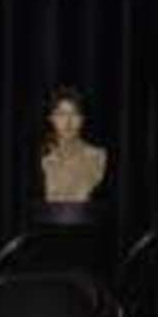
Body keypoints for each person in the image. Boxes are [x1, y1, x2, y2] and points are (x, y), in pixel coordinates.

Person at [38, 85, 106, 222]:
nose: (68, 122)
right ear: (51, 118)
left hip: (86, 230)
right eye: (61, 114)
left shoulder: (98, 156)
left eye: (74, 114)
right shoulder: (40, 157)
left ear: (83, 118)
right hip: (46, 230)